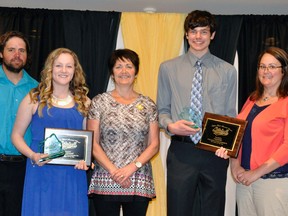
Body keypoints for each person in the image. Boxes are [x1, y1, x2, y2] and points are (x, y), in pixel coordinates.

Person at [157, 10, 237, 216]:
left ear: (212, 35)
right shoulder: (168, 68)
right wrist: (170, 125)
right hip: (182, 152)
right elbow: (162, 110)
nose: (198, 37)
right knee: (178, 210)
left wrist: (226, 146)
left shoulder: (228, 71)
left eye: (204, 32)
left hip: (215, 154)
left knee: (213, 211)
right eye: (193, 32)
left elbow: (230, 114)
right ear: (186, 34)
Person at [11, 47, 90, 216]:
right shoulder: (33, 98)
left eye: (69, 66)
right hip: (41, 171)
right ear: (50, 69)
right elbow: (16, 136)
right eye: (59, 65)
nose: (63, 70)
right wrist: (33, 155)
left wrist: (86, 160)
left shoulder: (85, 102)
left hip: (73, 175)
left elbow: (89, 142)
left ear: (75, 70)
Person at [216, 47, 288, 216]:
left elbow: (286, 148)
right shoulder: (252, 99)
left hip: (272, 183)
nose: (266, 71)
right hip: (245, 182)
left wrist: (256, 173)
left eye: (272, 66)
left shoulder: (285, 102)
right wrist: (235, 166)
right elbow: (237, 136)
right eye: (262, 66)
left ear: (283, 71)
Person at [87, 48, 159, 216]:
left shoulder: (148, 104)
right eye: (118, 66)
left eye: (129, 66)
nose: (124, 71)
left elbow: (154, 144)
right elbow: (93, 143)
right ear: (112, 72)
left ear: (136, 71)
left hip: (139, 178)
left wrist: (131, 168)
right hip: (106, 176)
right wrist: (115, 172)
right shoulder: (99, 102)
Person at [0, 31, 38, 216]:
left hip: (23, 169)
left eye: (21, 50)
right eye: (11, 49)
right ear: (1, 53)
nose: (17, 55)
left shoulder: (38, 90)